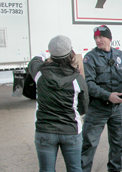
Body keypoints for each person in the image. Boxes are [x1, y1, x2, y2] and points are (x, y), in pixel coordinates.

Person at [81, 25, 122, 172]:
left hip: (117, 109)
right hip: (97, 108)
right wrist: (108, 95)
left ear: (109, 38)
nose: (98, 40)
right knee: (89, 144)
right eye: (96, 37)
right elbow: (88, 84)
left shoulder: (120, 56)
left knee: (118, 143)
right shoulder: (90, 58)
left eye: (101, 37)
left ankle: (115, 169)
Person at [28, 35, 89, 172]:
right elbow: (83, 107)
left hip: (45, 130)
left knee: (46, 170)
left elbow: (34, 61)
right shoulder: (77, 78)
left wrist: (43, 55)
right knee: (75, 169)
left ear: (52, 54)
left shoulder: (39, 73)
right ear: (70, 54)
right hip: (71, 130)